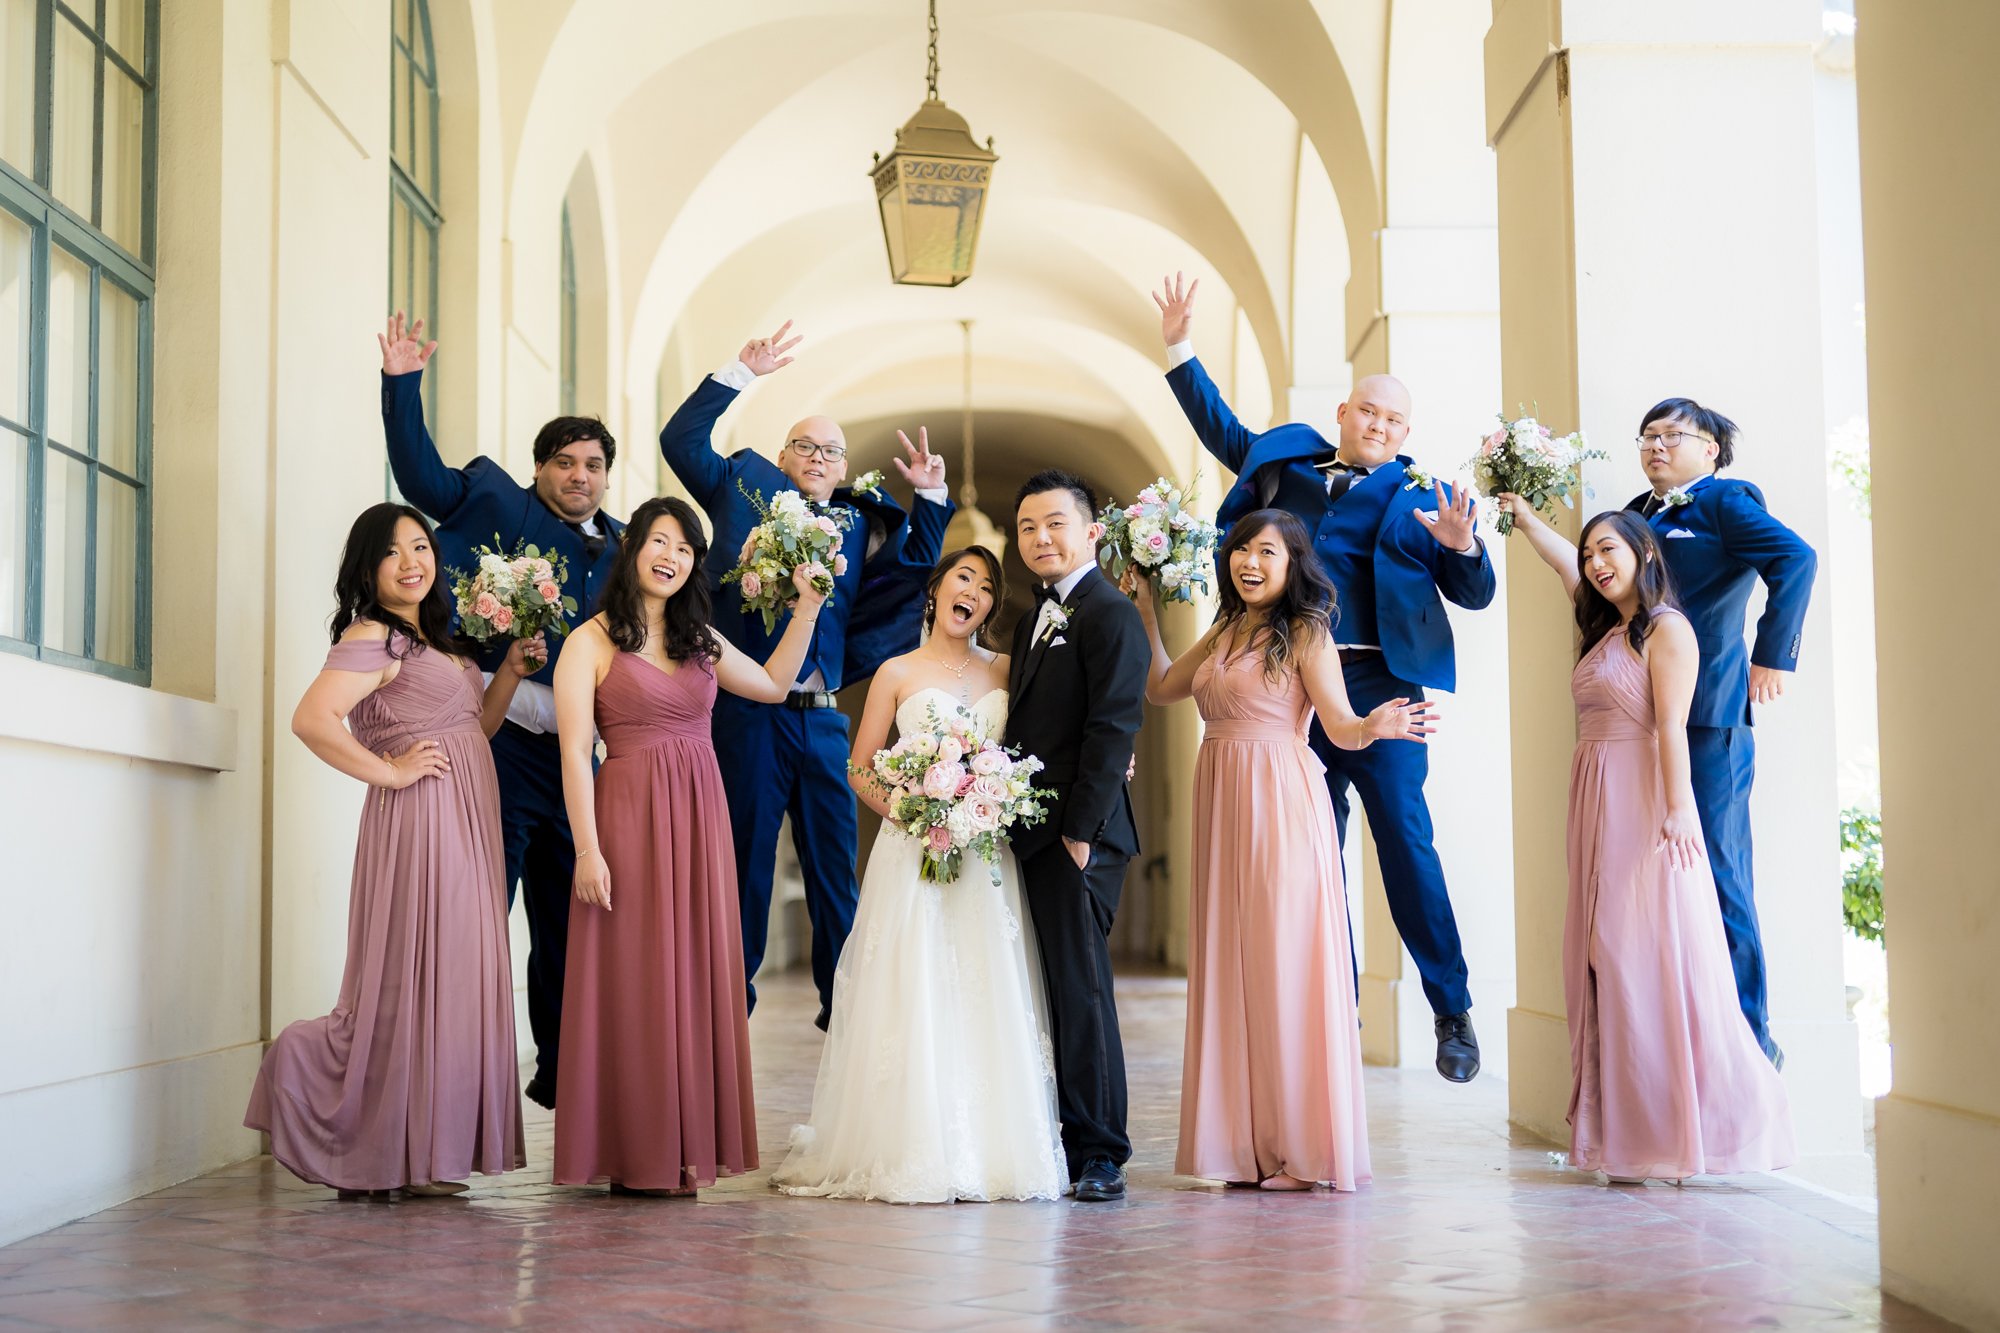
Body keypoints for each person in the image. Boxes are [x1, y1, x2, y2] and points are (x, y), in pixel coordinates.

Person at [1152, 274, 1495, 1082]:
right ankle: (1336, 1003)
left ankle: (1451, 1008)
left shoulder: (1423, 495)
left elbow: (1474, 595)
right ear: (1342, 412)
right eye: (1365, 410)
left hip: (1378, 686)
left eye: (1393, 419)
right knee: (1309, 854)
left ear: (1406, 431)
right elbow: (1223, 429)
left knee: (1405, 838)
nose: (1376, 425)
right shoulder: (1285, 458)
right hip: (1280, 688)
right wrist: (1179, 347)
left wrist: (1462, 546)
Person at [659, 322, 954, 1031]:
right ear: (784, 454)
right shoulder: (743, 484)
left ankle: (845, 1012)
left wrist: (933, 500)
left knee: (835, 872)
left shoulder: (855, 523)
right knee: (745, 867)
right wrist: (740, 371)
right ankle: (726, 1014)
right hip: (748, 713)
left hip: (823, 717)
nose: (819, 458)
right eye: (807, 446)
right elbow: (680, 444)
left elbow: (915, 573)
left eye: (832, 451)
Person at [1132, 510, 1431, 1192]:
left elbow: (1342, 728)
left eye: (1267, 550)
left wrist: (1376, 723)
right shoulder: (1222, 630)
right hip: (1223, 803)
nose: (1250, 561)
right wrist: (1149, 614)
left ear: (1293, 561)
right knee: (1235, 965)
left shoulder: (1307, 630)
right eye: (1241, 549)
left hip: (1282, 804)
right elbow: (1160, 689)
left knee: (1283, 962)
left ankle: (1302, 1145)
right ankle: (1247, 1144)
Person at [1502, 500, 1794, 1182]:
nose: (1596, 565)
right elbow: (1558, 563)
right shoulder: (1607, 626)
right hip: (1596, 802)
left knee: (1642, 956)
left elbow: (1669, 728)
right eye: (1589, 555)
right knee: (1603, 955)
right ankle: (1626, 1131)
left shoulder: (1666, 631)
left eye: (1609, 550)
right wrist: (1520, 512)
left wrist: (1677, 810)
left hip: (1642, 800)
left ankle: (1693, 1123)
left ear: (1645, 553)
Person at [246, 503, 532, 1197]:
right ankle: (372, 1129)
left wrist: (512, 672)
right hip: (422, 817)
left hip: (468, 815)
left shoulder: (429, 638)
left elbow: (471, 727)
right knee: (419, 969)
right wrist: (392, 770)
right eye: (394, 551)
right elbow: (312, 719)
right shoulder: (373, 635)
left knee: (454, 971)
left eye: (422, 546)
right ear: (368, 567)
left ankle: (423, 1149)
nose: (413, 561)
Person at [379, 311, 624, 1109]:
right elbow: (422, 480)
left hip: (582, 762)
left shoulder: (627, 547)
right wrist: (401, 383)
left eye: (592, 464)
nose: (579, 475)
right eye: (564, 462)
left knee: (568, 924)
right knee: (483, 909)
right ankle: (450, 1071)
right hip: (500, 742)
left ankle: (561, 1074)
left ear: (606, 475)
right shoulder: (491, 498)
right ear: (540, 467)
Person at [549, 496, 826, 1196]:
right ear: (633, 547)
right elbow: (577, 751)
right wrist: (587, 848)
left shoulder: (700, 636)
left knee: (694, 975)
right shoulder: (590, 641)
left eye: (684, 546)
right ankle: (636, 1147)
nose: (671, 555)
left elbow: (770, 684)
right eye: (659, 540)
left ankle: (684, 1146)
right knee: (635, 978)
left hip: (700, 821)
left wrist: (808, 609)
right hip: (627, 819)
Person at [772, 547, 1067, 1204]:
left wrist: (984, 799)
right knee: (917, 985)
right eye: (965, 577)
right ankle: (914, 1142)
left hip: (985, 857)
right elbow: (860, 765)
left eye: (989, 587)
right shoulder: (895, 671)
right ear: (936, 590)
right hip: (914, 851)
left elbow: (1037, 748)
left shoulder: (1009, 671)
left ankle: (989, 1147)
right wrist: (915, 809)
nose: (976, 593)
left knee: (983, 985)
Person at [1623, 400, 1817, 1066]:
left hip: (1709, 719)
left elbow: (1797, 557)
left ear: (1710, 449)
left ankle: (1750, 1038)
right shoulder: (1636, 515)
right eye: (1647, 436)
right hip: (1635, 720)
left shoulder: (1725, 503)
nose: (1655, 447)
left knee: (1720, 870)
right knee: (1646, 879)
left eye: (1671, 436)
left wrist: (1773, 653)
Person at [1005, 470, 1150, 1202]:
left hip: (1077, 835)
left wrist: (1081, 835)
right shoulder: (1041, 614)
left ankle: (1101, 1151)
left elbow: (1114, 724)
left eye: (1055, 523)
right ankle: (1069, 1137)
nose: (1040, 537)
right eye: (1027, 526)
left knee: (1084, 991)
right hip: (1036, 834)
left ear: (1092, 530)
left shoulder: (1109, 611)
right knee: (1060, 989)